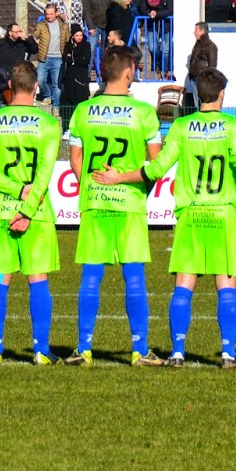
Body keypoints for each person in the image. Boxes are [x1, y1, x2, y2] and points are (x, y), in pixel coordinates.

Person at [97, 67, 236, 369]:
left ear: (198, 96)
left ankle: (178, 352)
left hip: (191, 214)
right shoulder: (234, 125)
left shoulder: (181, 126)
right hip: (223, 214)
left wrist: (119, 177)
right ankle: (228, 353)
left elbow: (156, 169)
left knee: (184, 284)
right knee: (226, 284)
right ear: (222, 94)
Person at [63, 45, 164, 367]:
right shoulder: (144, 113)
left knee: (91, 277)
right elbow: (156, 165)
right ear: (129, 71)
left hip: (95, 202)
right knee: (133, 277)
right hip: (129, 202)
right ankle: (140, 349)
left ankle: (83, 348)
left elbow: (75, 160)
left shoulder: (83, 110)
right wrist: (135, 186)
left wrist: (92, 185)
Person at [0, 61, 63, 366]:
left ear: (10, 87)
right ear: (36, 87)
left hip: (2, 210)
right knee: (37, 279)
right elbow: (44, 174)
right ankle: (41, 350)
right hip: (36, 212)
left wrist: (15, 190)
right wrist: (27, 204)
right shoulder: (48, 124)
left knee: (0, 278)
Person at [33, 3, 67, 108]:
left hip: (58, 58)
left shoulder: (64, 26)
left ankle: (56, 105)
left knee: (56, 83)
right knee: (40, 80)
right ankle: (48, 95)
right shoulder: (41, 25)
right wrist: (35, 40)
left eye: (51, 14)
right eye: (47, 14)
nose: (48, 16)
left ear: (56, 13)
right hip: (44, 58)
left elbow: (67, 39)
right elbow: (35, 35)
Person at [59, 27, 91, 128]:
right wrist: (75, 58)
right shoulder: (68, 45)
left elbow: (86, 60)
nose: (79, 37)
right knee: (68, 105)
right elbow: (65, 58)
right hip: (70, 79)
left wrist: (73, 59)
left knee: (80, 102)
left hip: (81, 78)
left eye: (81, 35)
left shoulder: (86, 45)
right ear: (73, 36)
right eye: (77, 35)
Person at [139, 0, 171, 74]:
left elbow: (170, 10)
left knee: (166, 49)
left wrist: (157, 13)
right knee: (152, 48)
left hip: (165, 24)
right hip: (151, 25)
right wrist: (150, 13)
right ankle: (157, 63)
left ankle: (164, 71)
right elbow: (142, 9)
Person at [184, 22, 217, 107]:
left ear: (202, 31)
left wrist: (206, 79)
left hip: (203, 80)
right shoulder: (198, 44)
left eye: (196, 30)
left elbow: (212, 65)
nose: (194, 32)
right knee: (197, 104)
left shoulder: (210, 46)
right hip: (194, 79)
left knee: (203, 104)